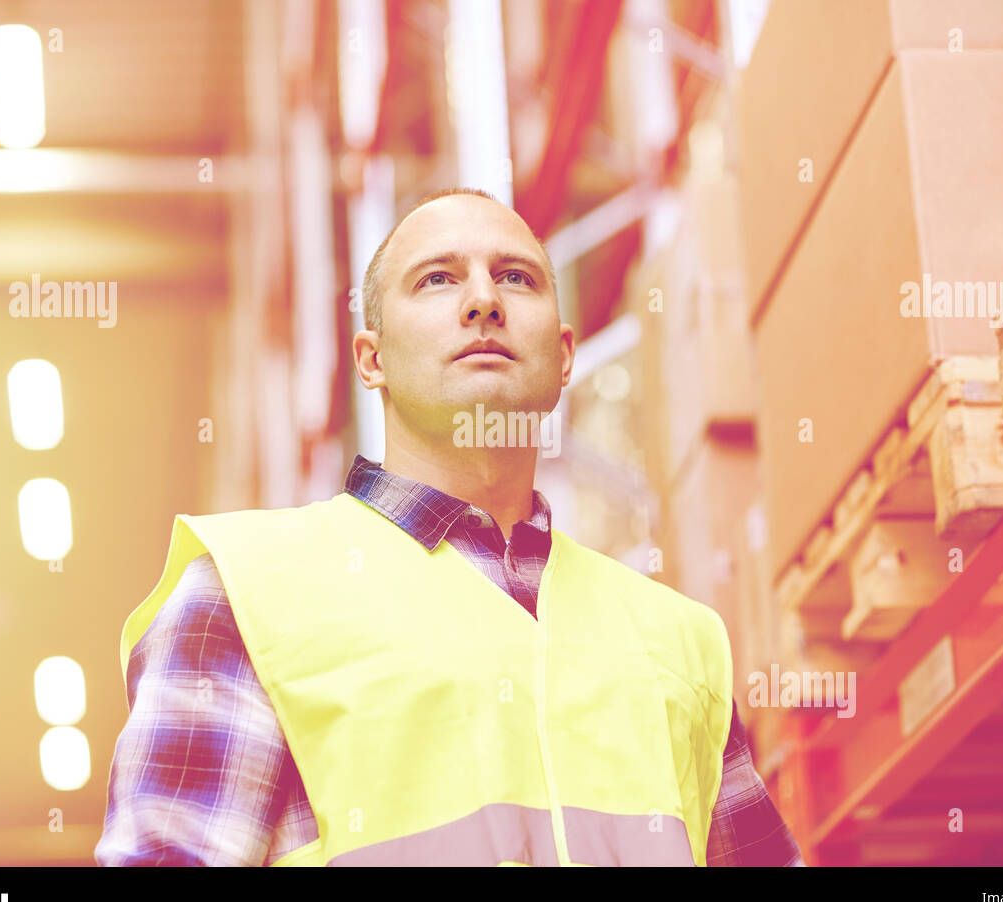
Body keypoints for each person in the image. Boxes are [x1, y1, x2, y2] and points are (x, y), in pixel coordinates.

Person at [95, 187, 804, 866]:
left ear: (563, 358)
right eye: (437, 279)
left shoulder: (678, 643)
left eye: (516, 278)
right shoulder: (244, 596)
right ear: (371, 360)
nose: (484, 301)